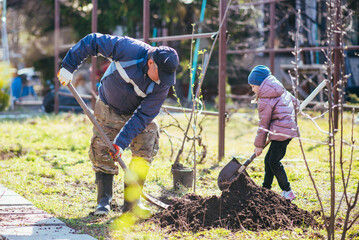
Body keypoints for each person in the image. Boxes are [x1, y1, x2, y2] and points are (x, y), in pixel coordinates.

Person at [57, 33, 179, 216]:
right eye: (160, 74)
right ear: (151, 62)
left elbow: (144, 115)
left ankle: (132, 203)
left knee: (148, 140)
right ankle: (104, 201)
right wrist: (68, 66)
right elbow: (93, 41)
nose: (162, 80)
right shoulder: (129, 49)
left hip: (137, 114)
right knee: (101, 148)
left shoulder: (162, 84)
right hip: (108, 107)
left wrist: (121, 142)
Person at [248, 65, 299, 201]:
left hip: (280, 133)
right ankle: (266, 189)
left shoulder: (265, 99)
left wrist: (259, 146)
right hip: (286, 131)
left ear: (260, 84)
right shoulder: (281, 90)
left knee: (274, 162)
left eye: (253, 86)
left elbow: (263, 125)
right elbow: (296, 104)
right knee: (269, 160)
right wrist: (288, 117)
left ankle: (287, 191)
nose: (252, 89)